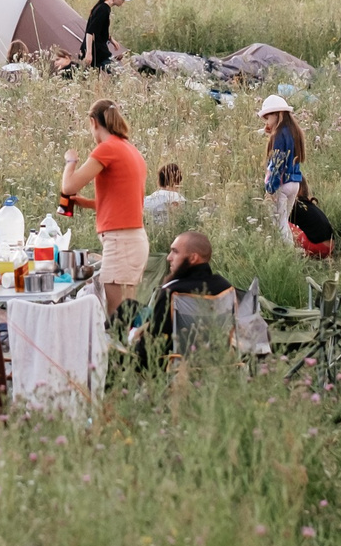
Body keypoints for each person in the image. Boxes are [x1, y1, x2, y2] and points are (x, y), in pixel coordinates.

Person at [59, 100, 149, 315]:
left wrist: (70, 161)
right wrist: (87, 203)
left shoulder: (107, 149)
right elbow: (125, 202)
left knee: (117, 316)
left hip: (120, 242)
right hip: (133, 239)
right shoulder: (129, 148)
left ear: (93, 122)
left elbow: (68, 186)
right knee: (127, 315)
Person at [136, 229, 233, 359]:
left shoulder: (172, 293)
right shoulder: (226, 288)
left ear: (193, 258)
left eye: (175, 252)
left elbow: (152, 346)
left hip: (175, 365)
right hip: (218, 362)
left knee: (126, 311)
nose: (169, 257)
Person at [259, 94, 306, 239]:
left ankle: (287, 250)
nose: (267, 121)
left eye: (268, 117)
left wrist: (270, 188)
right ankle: (289, 248)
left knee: (279, 225)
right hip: (295, 182)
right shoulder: (294, 131)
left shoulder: (279, 134)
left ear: (277, 114)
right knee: (284, 222)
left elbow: (277, 163)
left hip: (282, 184)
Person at [81, 0, 131, 70]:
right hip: (96, 51)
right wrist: (89, 53)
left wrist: (111, 39)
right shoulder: (103, 9)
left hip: (98, 50)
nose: (123, 2)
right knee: (116, 72)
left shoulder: (104, 8)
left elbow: (100, 29)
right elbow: (90, 32)